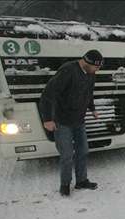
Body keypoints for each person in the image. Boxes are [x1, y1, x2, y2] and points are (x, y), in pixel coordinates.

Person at [39, 50, 104, 196]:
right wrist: (47, 119)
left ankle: (81, 181)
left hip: (79, 120)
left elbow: (89, 92)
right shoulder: (68, 70)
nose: (98, 70)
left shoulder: (91, 74)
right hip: (62, 121)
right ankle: (65, 185)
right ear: (87, 63)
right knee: (67, 154)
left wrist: (92, 109)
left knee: (82, 151)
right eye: (96, 67)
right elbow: (48, 94)